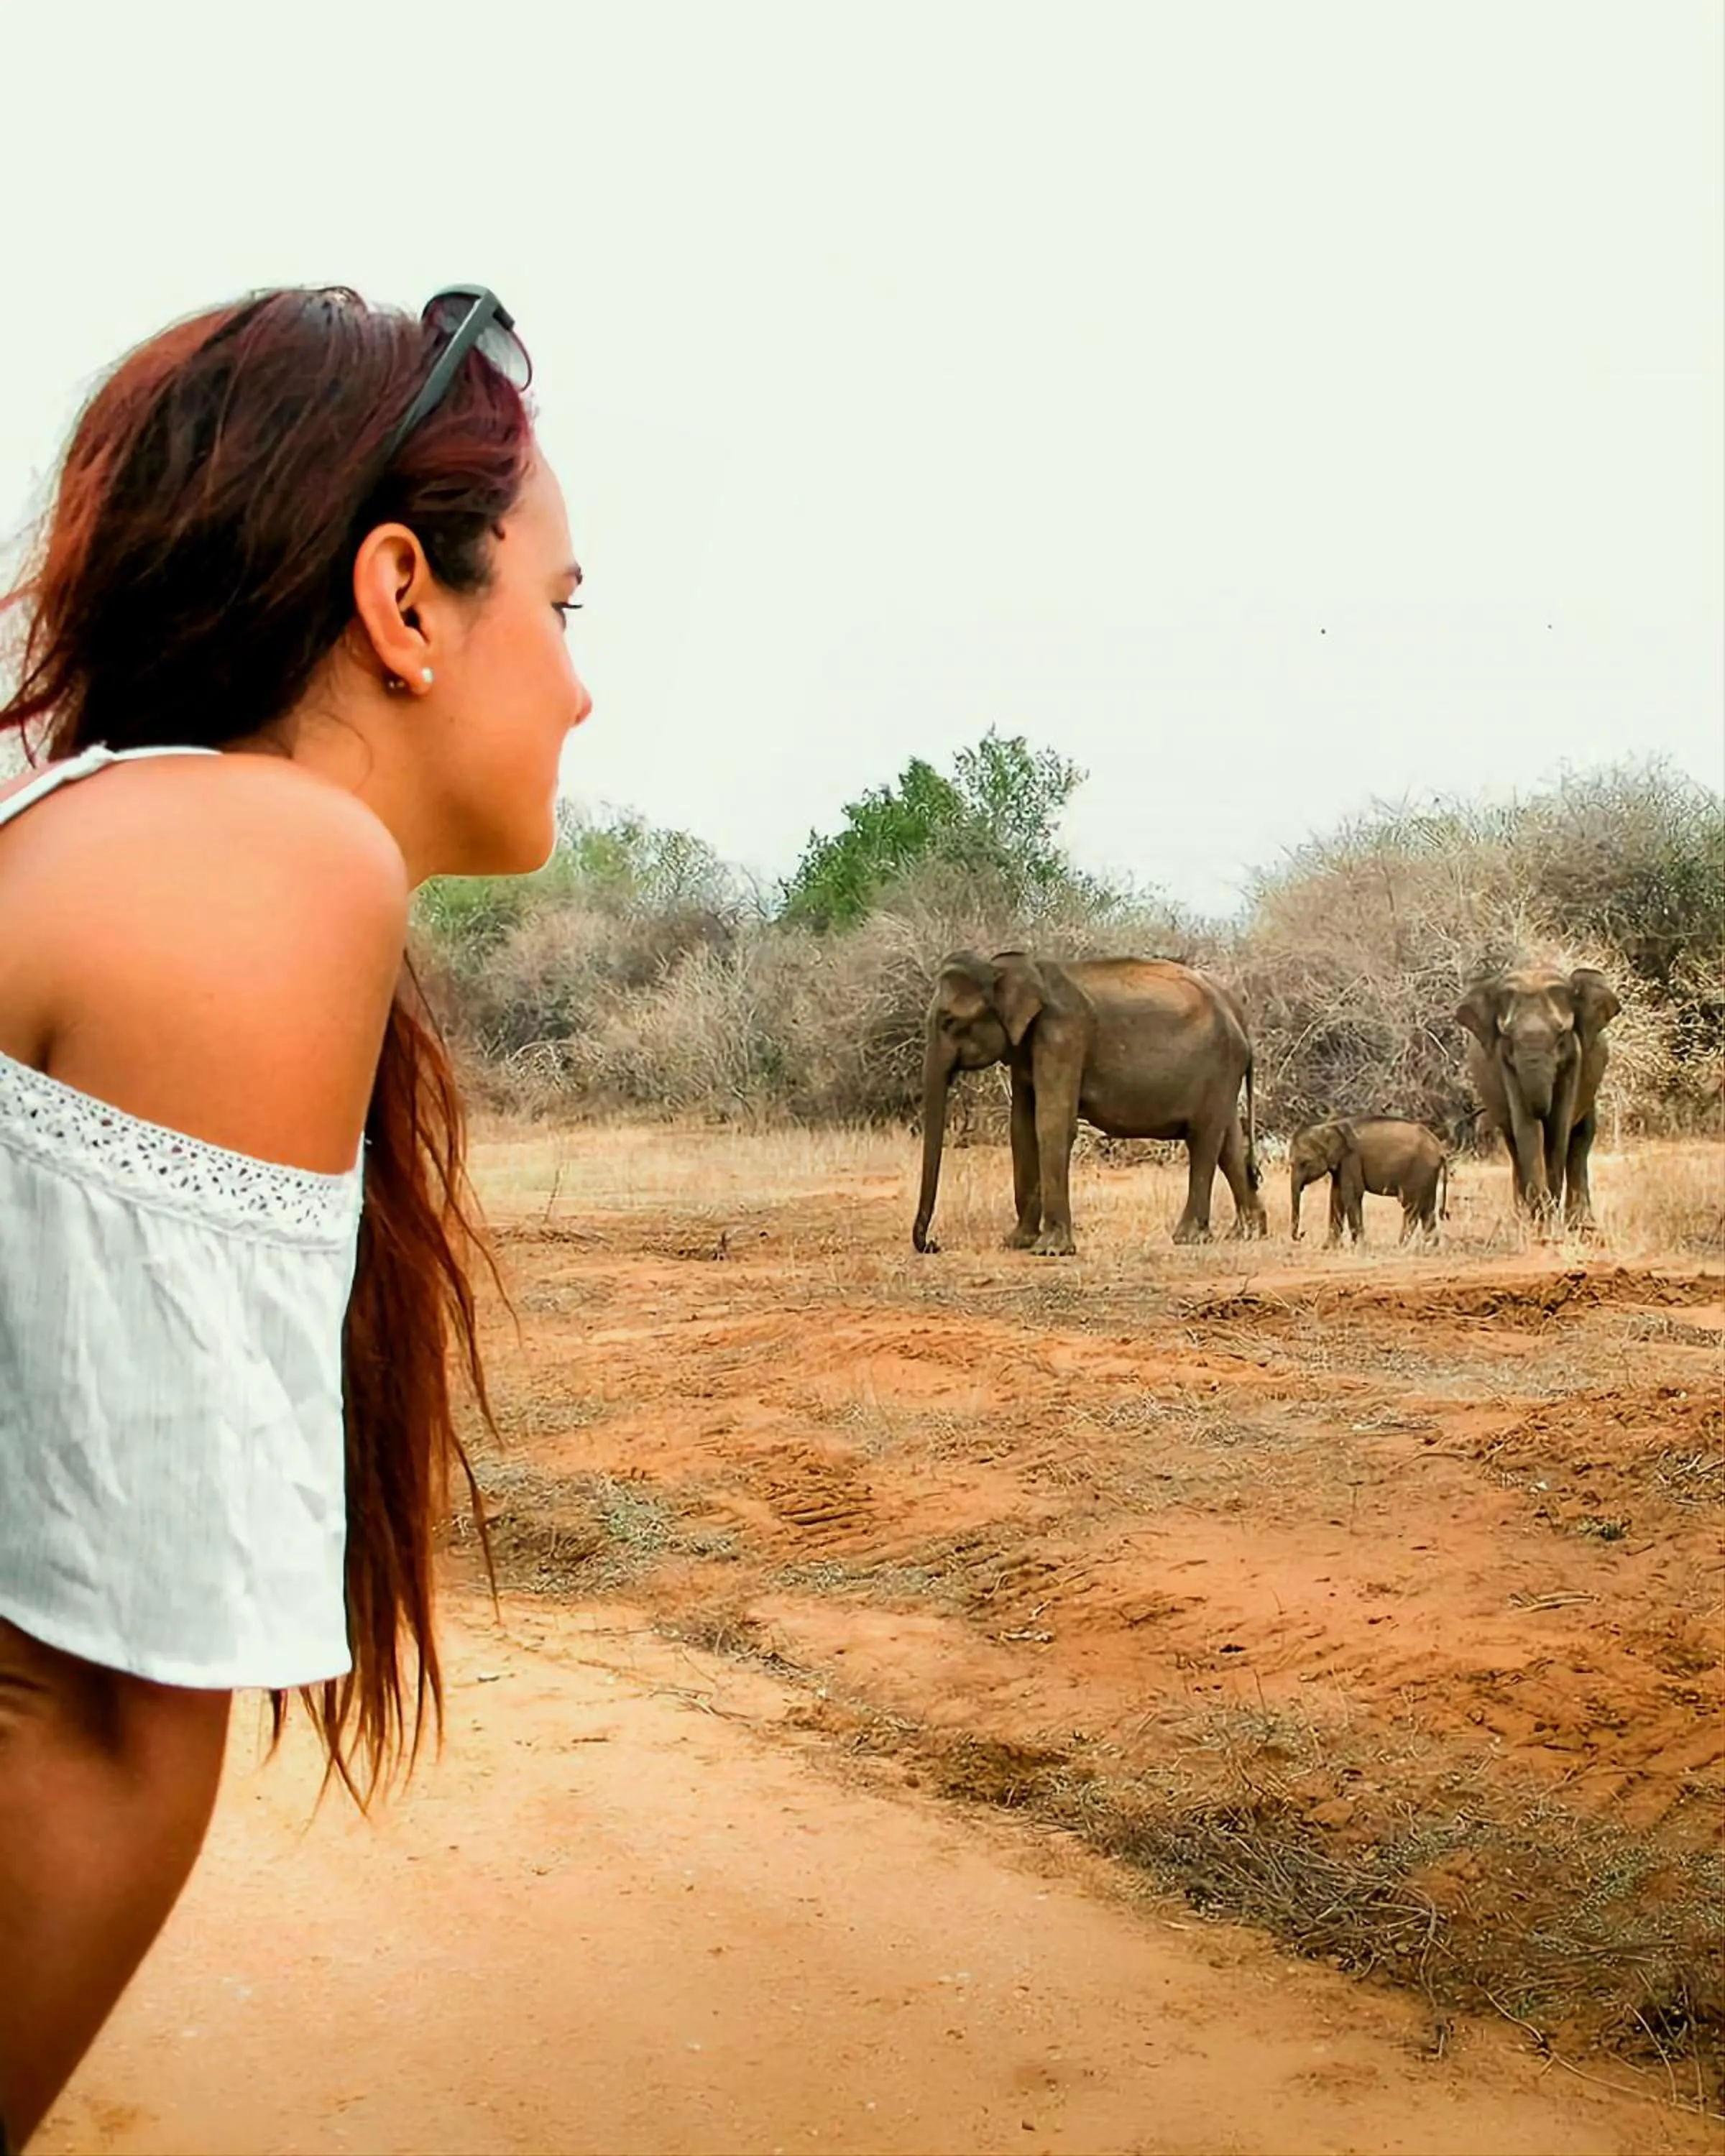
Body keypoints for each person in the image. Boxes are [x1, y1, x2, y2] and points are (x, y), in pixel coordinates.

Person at [0, 285, 592, 2149]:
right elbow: (86, 1737)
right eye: (562, 609)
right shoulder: (269, 866)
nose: (578, 684)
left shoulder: (106, 834)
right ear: (404, 599)